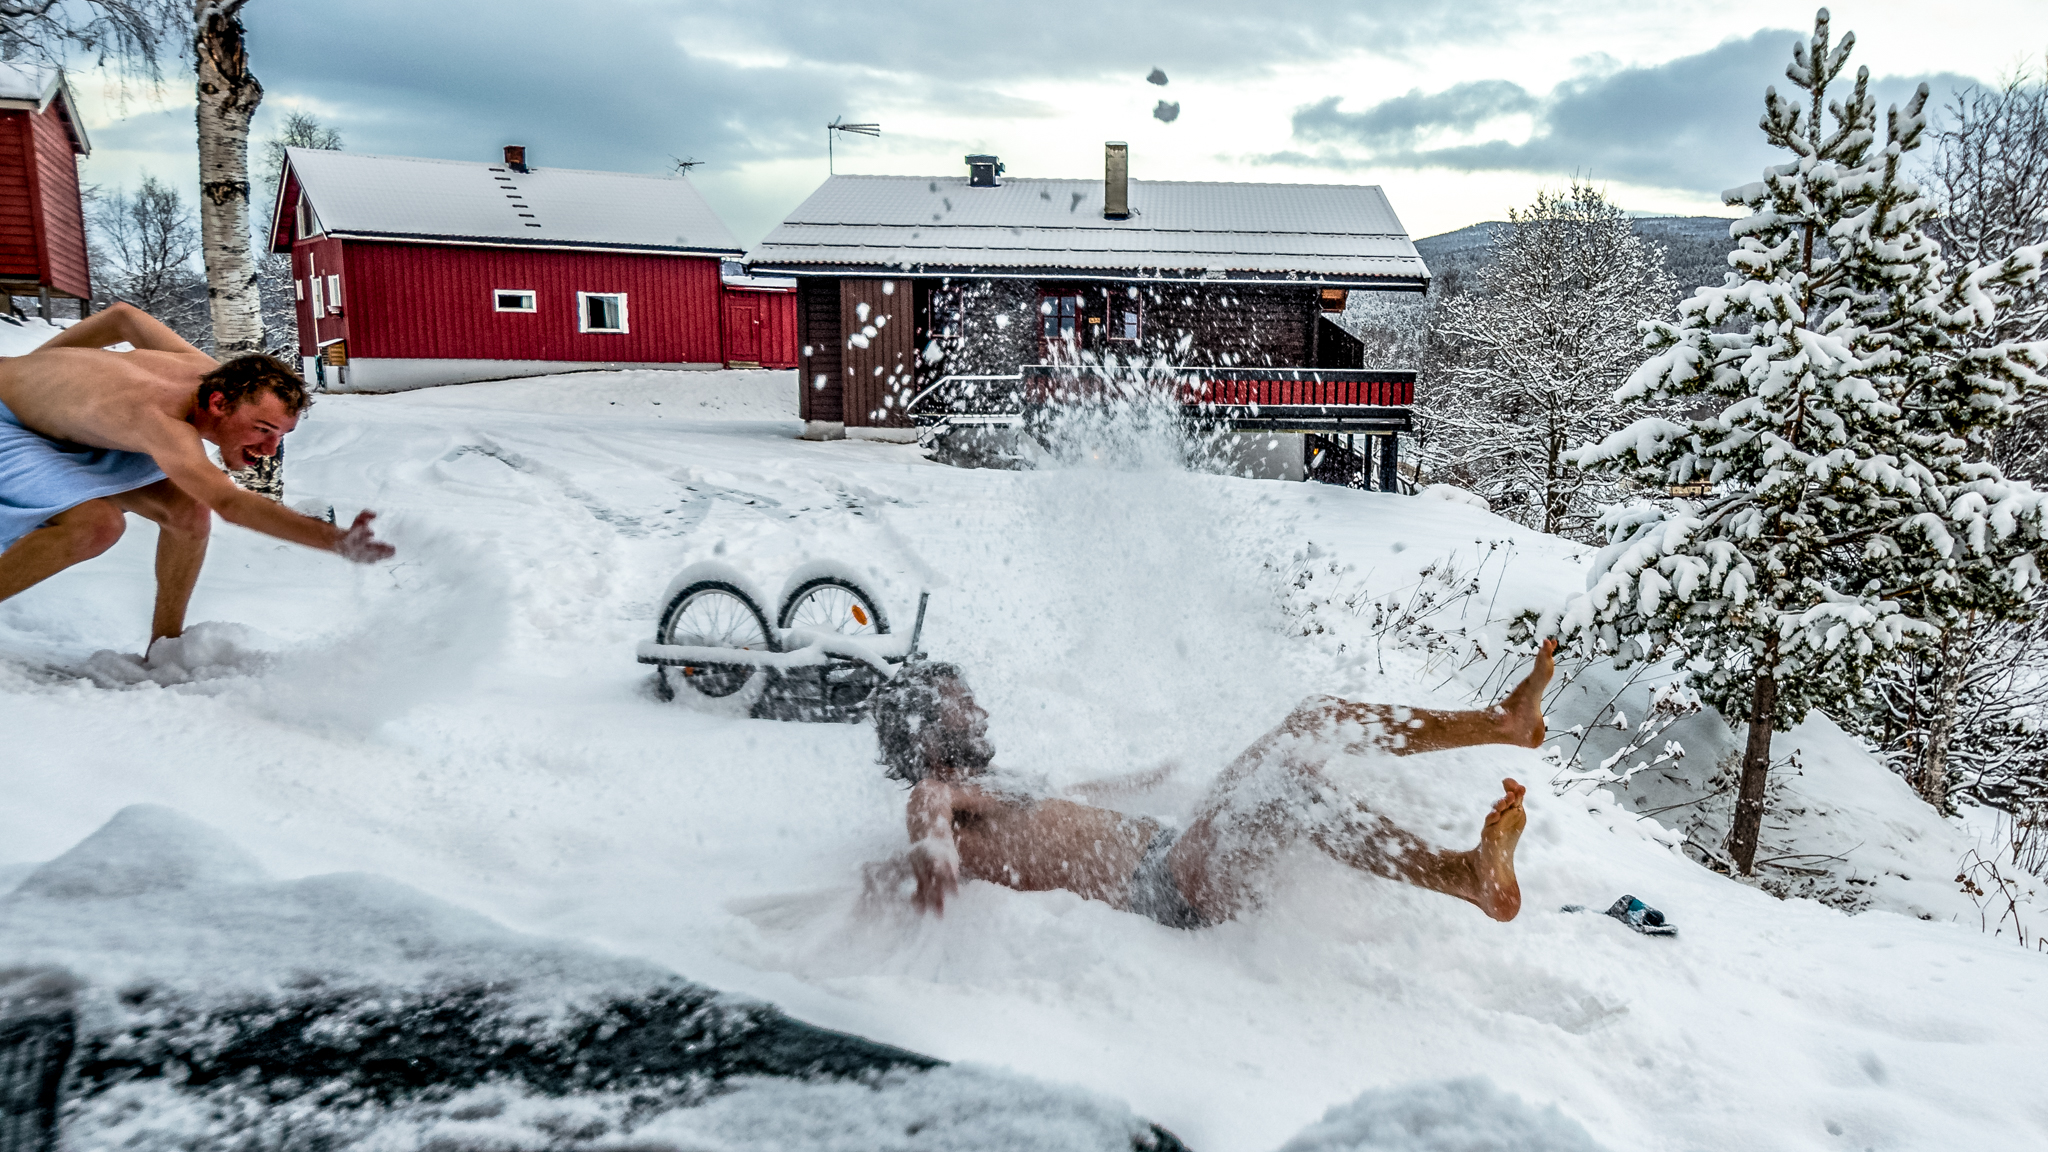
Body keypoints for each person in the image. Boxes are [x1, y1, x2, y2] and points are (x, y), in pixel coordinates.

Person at [877, 640, 1557, 927]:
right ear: (929, 728)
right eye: (962, 701)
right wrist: (933, 851)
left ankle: (1476, 816)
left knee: (1305, 752)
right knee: (1294, 760)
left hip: (1175, 854)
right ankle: (1465, 844)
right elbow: (929, 814)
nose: (982, 709)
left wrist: (1150, 777)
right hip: (1165, 886)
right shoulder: (935, 794)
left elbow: (1074, 802)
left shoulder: (998, 785)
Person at [0, 303, 394, 649]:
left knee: (189, 513)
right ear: (218, 404)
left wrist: (34, 365)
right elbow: (229, 502)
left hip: (77, 428)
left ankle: (165, 646)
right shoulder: (158, 415)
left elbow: (123, 317)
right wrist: (336, 541)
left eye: (280, 435)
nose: (269, 449)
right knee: (97, 526)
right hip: (9, 422)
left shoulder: (214, 377)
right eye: (261, 429)